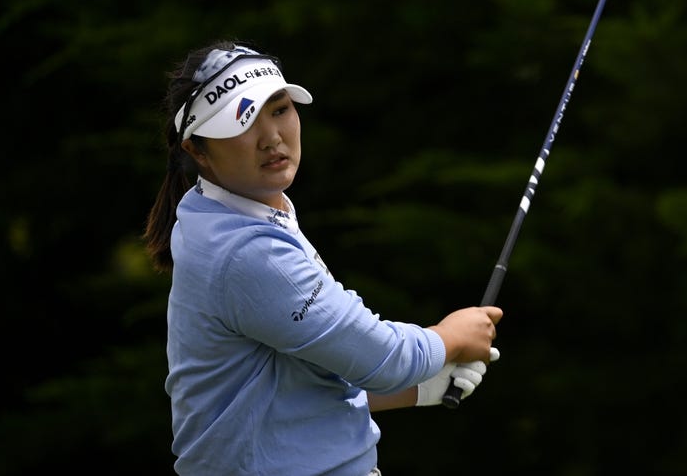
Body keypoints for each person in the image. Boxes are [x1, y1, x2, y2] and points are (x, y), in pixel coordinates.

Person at [143, 40, 502, 476]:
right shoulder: (246, 250)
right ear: (197, 151)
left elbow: (289, 382)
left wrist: (422, 387)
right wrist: (448, 338)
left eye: (279, 110)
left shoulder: (221, 214)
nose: (271, 137)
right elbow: (380, 357)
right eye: (243, 121)